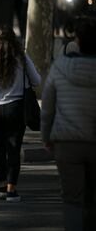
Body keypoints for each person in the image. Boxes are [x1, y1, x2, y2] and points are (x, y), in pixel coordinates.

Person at [41, 17, 96, 231]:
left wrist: (46, 137)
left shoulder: (61, 67)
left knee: (72, 199)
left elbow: (48, 107)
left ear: (78, 41)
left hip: (66, 141)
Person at [0, 26, 41, 202]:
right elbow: (37, 80)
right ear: (14, 40)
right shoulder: (22, 59)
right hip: (17, 108)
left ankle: (1, 185)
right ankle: (12, 189)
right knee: (14, 148)